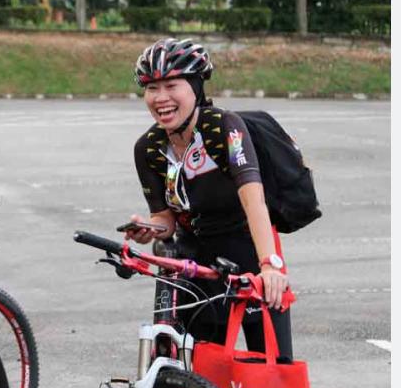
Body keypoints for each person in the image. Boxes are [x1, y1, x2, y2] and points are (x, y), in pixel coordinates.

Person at [125, 37, 293, 359]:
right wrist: (149, 227)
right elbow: (166, 220)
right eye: (151, 88)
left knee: (274, 364)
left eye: (172, 85)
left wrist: (269, 266)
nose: (161, 98)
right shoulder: (148, 149)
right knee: (202, 365)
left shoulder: (223, 128)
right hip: (197, 260)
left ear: (196, 87)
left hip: (250, 248)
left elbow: (253, 198)